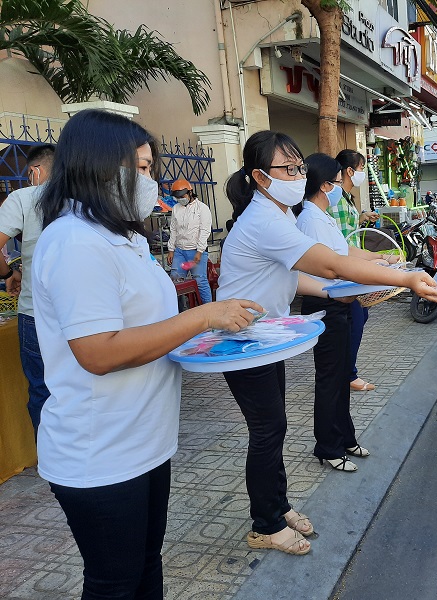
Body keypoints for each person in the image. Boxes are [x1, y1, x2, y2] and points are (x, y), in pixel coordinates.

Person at [31, 109, 259, 598]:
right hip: (100, 452)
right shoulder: (74, 241)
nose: (149, 180)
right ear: (96, 166)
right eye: (139, 167)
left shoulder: (126, 237)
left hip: (146, 441)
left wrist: (209, 340)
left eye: (150, 167)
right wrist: (204, 317)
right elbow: (98, 352)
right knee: (115, 582)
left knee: (145, 568)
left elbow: (150, 328)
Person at [217, 130, 437, 556]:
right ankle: (265, 523)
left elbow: (294, 278)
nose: (298, 176)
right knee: (267, 431)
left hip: (264, 338)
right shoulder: (264, 220)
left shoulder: (279, 216)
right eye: (289, 169)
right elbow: (331, 263)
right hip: (243, 341)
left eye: (299, 167)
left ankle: (278, 505)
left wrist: (330, 292)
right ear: (261, 178)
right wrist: (405, 278)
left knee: (274, 427)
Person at [297, 153, 401, 473]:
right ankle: (328, 446)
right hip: (326, 304)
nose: (341, 185)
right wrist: (379, 271)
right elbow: (332, 266)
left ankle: (345, 437)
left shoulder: (323, 215)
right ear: (325, 185)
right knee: (330, 380)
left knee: (342, 377)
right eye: (338, 180)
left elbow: (344, 251)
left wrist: (379, 260)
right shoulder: (310, 219)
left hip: (340, 303)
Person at [0, 144, 55, 435]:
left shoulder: (23, 197)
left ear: (35, 171)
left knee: (42, 391)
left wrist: (8, 273)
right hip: (78, 311)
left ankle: (50, 455)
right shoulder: (81, 199)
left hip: (36, 312)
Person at [331, 149, 380, 392]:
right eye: (361, 169)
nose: (363, 173)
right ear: (349, 171)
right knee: (355, 321)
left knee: (359, 318)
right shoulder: (336, 198)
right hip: (344, 272)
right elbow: (340, 242)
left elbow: (347, 229)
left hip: (351, 268)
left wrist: (362, 217)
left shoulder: (346, 197)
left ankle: (344, 371)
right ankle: (347, 374)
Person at [167, 179, 213, 303]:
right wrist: (171, 249)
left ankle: (209, 309)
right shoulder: (176, 208)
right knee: (175, 281)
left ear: (190, 192)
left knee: (200, 281)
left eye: (182, 196)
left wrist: (199, 251)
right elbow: (173, 230)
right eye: (178, 197)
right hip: (179, 251)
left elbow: (205, 231)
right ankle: (179, 310)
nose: (180, 199)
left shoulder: (202, 208)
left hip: (196, 250)